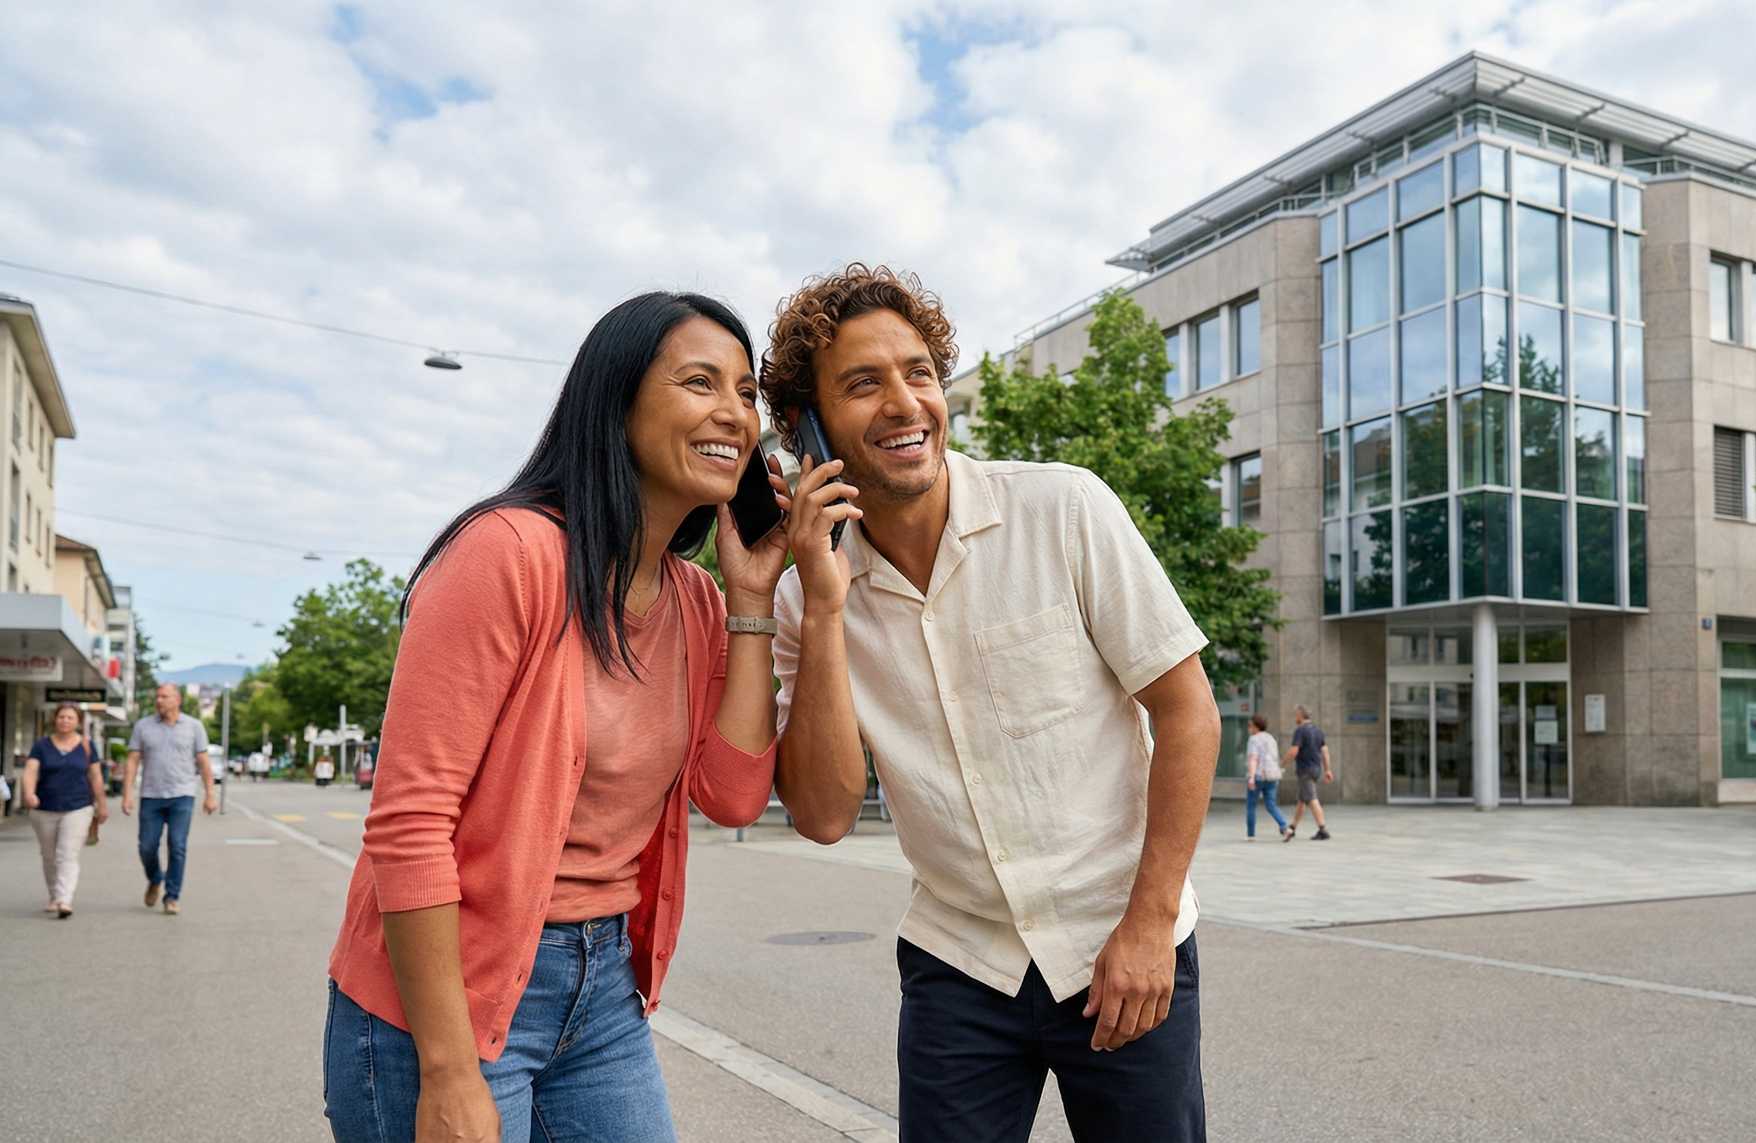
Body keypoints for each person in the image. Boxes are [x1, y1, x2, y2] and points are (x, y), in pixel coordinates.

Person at [323, 291, 820, 1143]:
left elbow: (735, 797)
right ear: (615, 401)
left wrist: (751, 597)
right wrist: (447, 1071)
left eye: (745, 394)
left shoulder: (700, 600)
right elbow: (408, 824)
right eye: (700, 382)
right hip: (443, 999)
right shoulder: (508, 554)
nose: (734, 415)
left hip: (601, 993)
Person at [764, 264, 1218, 1143]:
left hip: (1120, 938)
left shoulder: (1063, 507)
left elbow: (1188, 709)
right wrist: (822, 605)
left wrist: (1151, 922)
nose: (905, 404)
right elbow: (821, 814)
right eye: (863, 385)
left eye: (919, 373)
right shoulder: (805, 600)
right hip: (959, 959)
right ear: (806, 429)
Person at [122, 682, 215, 914]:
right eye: (158, 696)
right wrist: (127, 793)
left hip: (182, 795)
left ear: (177, 700)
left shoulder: (194, 727)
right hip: (151, 795)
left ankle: (172, 896)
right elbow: (133, 760)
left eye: (164, 696)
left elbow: (204, 762)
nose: (159, 701)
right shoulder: (143, 726)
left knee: (178, 845)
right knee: (147, 846)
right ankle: (155, 878)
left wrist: (210, 795)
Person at [22, 703, 108, 918]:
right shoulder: (41, 746)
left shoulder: (87, 746)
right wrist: (29, 793)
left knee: (67, 854)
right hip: (44, 808)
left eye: (70, 717)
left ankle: (64, 899)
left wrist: (102, 804)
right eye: (62, 717)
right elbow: (31, 771)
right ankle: (54, 895)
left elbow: (96, 776)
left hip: (78, 807)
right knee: (49, 856)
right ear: (55, 719)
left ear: (78, 722)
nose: (65, 721)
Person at [1284, 705, 1333, 842]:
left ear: (1300, 715)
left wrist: (1282, 764)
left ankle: (1323, 829)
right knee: (1302, 800)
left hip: (1305, 769)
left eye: (1296, 715)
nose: (1295, 718)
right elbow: (1325, 752)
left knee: (1311, 799)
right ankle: (1292, 828)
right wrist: (1327, 769)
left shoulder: (1300, 731)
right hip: (1316, 769)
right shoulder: (1318, 731)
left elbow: (1294, 751)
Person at [1244, 714, 1286, 840]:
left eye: (1250, 725)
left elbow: (1253, 759)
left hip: (1258, 776)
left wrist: (1251, 777)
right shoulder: (1271, 738)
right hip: (1273, 776)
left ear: (1256, 727)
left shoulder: (1254, 739)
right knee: (1271, 805)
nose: (1249, 728)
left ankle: (1251, 835)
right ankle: (1284, 827)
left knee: (1251, 805)